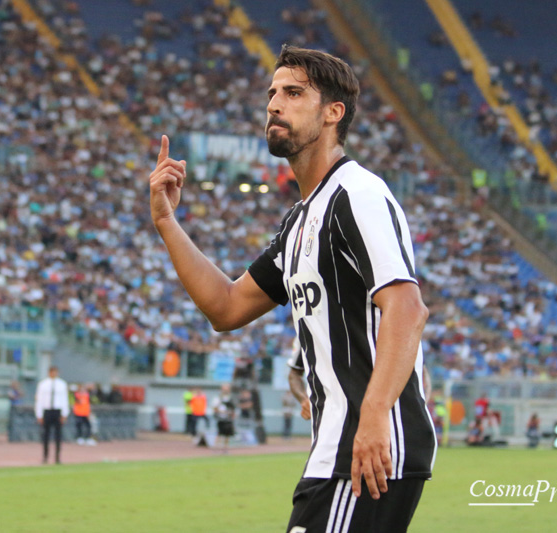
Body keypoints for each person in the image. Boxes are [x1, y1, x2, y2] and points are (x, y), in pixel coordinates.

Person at [149, 45, 435, 532]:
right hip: (337, 447)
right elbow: (227, 307)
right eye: (273, 92)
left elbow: (407, 309)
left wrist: (371, 418)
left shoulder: (356, 194)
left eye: (294, 92)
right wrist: (166, 222)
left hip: (365, 446)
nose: (274, 104)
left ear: (333, 113)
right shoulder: (301, 221)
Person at [34, 365, 70, 464]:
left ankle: (57, 457)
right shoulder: (43, 384)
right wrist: (39, 414)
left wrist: (64, 413)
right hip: (47, 411)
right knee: (46, 435)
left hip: (57, 411)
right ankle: (45, 457)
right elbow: (39, 400)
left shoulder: (62, 384)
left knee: (58, 436)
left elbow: (64, 400)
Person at [213, 384, 236, 453]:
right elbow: (215, 408)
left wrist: (232, 414)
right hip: (221, 418)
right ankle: (216, 448)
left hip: (228, 419)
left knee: (227, 435)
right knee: (219, 433)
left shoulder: (230, 398)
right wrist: (223, 412)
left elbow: (233, 408)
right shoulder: (218, 398)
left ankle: (225, 449)